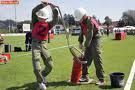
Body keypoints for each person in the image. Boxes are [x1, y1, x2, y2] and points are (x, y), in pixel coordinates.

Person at [74, 8, 105, 86]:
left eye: (80, 18)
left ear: (84, 16)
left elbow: (90, 35)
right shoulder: (82, 22)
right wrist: (80, 41)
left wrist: (85, 46)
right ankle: (85, 76)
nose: (79, 20)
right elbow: (82, 32)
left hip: (95, 38)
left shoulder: (90, 22)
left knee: (97, 57)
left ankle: (101, 79)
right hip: (89, 38)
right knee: (85, 58)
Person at [31, 0, 58, 90]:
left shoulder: (48, 24)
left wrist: (54, 10)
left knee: (50, 65)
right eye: (39, 17)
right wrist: (42, 5)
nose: (41, 19)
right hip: (35, 45)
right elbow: (33, 11)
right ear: (37, 17)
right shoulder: (35, 22)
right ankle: (40, 82)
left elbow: (55, 20)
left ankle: (42, 76)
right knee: (36, 67)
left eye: (43, 18)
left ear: (46, 18)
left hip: (44, 45)